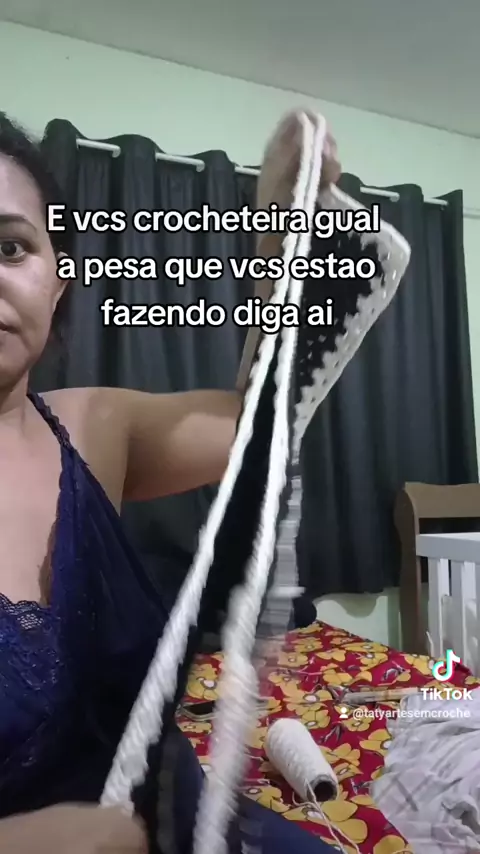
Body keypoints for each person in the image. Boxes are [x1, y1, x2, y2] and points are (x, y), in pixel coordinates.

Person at [0, 110, 341, 852]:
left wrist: (280, 236)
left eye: (10, 247)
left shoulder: (96, 428)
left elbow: (264, 420)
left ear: (57, 281)